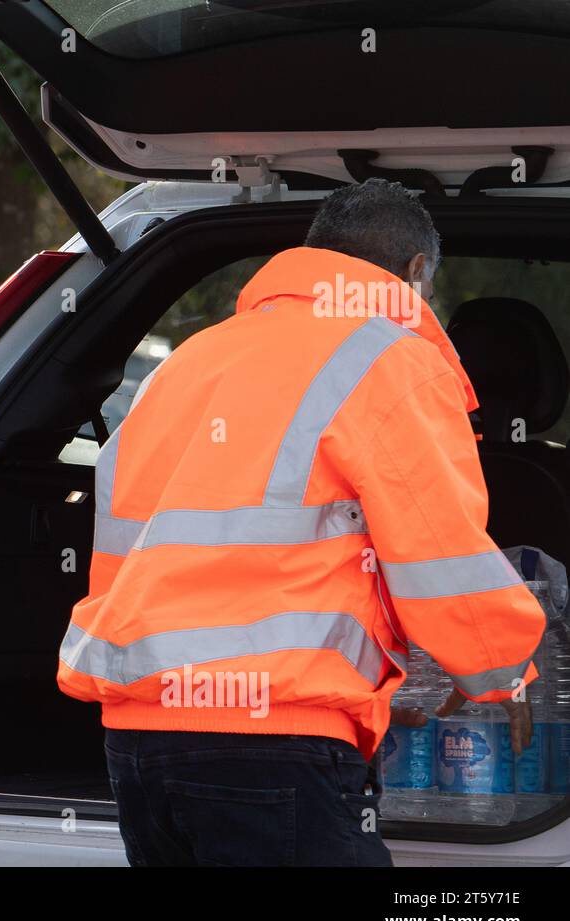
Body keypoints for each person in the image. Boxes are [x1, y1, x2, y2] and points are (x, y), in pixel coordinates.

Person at [58, 178, 542, 866]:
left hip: (138, 739)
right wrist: (502, 669)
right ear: (413, 273)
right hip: (272, 743)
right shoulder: (389, 358)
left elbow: (121, 553)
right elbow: (439, 553)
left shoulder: (190, 361)